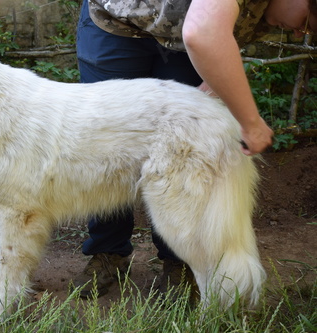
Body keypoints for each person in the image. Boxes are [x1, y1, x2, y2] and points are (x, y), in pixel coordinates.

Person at [73, 0, 316, 298]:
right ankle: (107, 253)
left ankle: (179, 262)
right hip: (116, 20)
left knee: (181, 154)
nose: (298, 33)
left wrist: (208, 92)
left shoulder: (270, 15)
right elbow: (202, 32)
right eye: (305, 21)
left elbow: (214, 42)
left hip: (180, 35)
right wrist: (250, 123)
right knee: (108, 142)